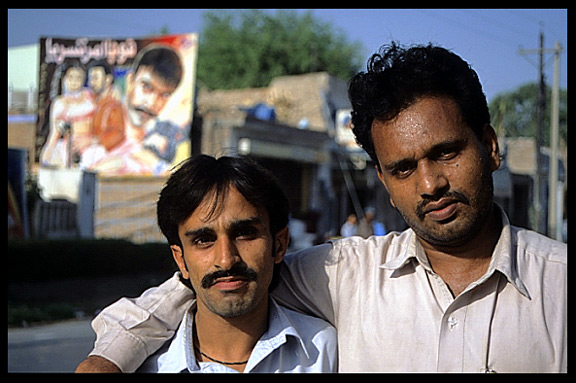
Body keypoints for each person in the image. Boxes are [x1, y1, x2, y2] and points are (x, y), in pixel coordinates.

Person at [76, 42, 566, 373]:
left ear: (491, 145)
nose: (430, 184)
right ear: (383, 181)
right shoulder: (347, 277)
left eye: (446, 153)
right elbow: (221, 276)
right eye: (402, 168)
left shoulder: (559, 287)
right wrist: (111, 357)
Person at [77, 155, 337, 373]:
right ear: (181, 259)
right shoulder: (145, 366)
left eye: (245, 234)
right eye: (203, 240)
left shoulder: (325, 352)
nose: (226, 259)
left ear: (279, 245)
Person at [86, 44, 186, 175]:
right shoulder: (103, 114)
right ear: (130, 81)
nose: (151, 103)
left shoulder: (159, 136)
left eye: (164, 95)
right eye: (146, 87)